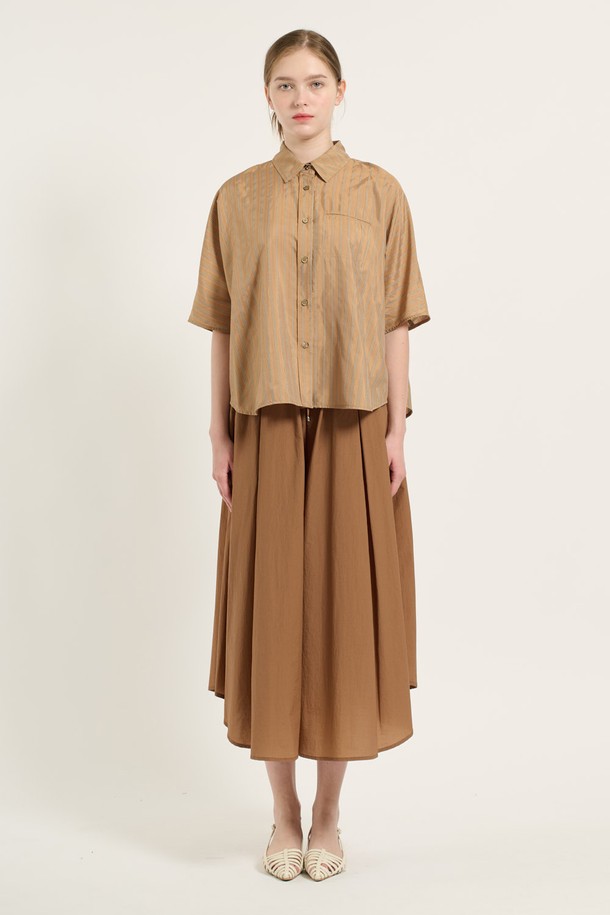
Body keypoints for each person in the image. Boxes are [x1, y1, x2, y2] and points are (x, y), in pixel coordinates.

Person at [187, 29, 431, 881]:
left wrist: (397, 427)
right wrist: (219, 433)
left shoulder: (380, 194)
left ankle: (328, 815)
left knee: (342, 616)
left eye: (316, 82)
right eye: (286, 84)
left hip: (355, 423)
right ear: (268, 96)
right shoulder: (236, 199)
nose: (301, 98)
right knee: (274, 615)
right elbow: (221, 325)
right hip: (263, 424)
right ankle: (283, 814)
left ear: (340, 92)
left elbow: (396, 319)